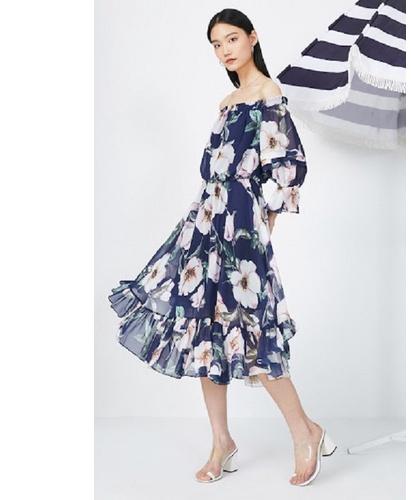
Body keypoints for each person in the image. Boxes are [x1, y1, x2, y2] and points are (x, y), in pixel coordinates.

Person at [108, 7, 337, 487]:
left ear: (252, 38)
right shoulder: (228, 102)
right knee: (203, 331)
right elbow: (213, 170)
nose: (224, 50)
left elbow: (288, 163)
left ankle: (305, 432)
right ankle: (221, 442)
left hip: (241, 230)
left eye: (232, 39)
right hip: (204, 224)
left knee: (253, 329)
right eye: (216, 44)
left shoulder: (268, 94)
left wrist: (266, 222)